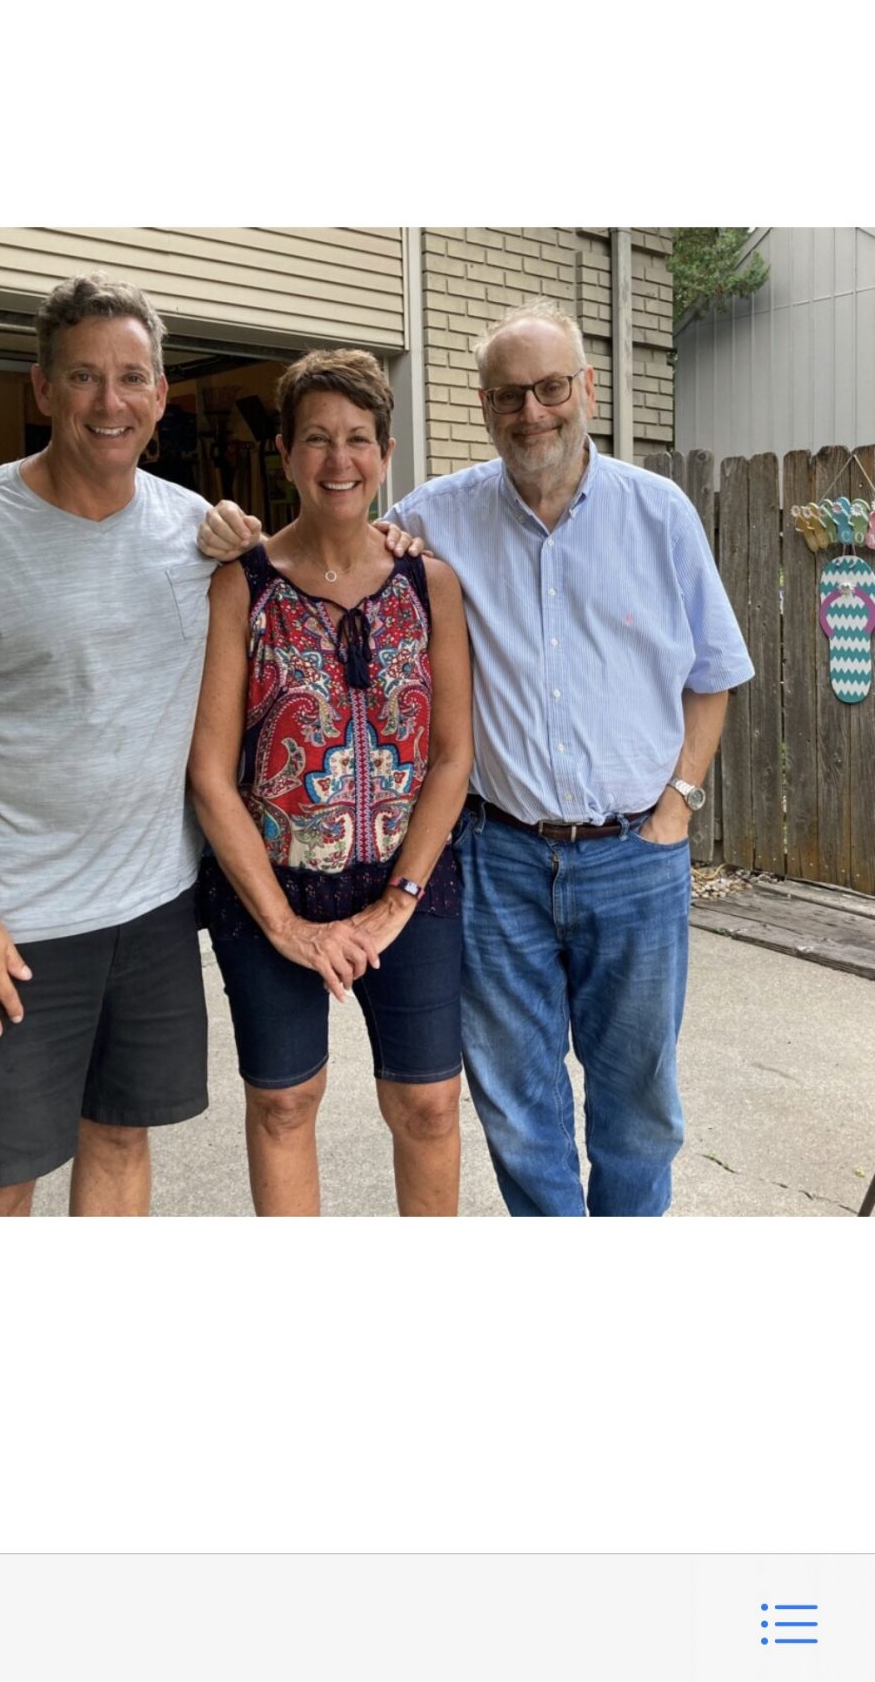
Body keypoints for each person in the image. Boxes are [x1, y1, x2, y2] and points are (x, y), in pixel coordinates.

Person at [200, 302, 755, 1218]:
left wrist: (679, 803)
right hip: (497, 858)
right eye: (508, 395)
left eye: (548, 389)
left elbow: (714, 675)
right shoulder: (432, 522)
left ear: (585, 389)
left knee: (637, 1101)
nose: (531, 412)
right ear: (485, 406)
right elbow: (339, 532)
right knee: (517, 1103)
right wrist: (230, 531)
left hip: (633, 856)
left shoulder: (659, 513)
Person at [0, 275, 216, 1217]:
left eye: (131, 378)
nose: (111, 402)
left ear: (161, 395)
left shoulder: (195, 530)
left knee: (120, 1135)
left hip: (153, 910)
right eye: (85, 378)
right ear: (42, 389)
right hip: (8, 927)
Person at [188, 349, 473, 1216]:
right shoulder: (241, 585)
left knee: (426, 1104)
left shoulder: (431, 583)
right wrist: (284, 926)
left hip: (407, 882)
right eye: (316, 438)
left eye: (357, 439)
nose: (338, 460)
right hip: (267, 889)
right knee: (283, 1103)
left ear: (387, 453)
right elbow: (209, 771)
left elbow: (453, 754)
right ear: (284, 452)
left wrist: (397, 901)